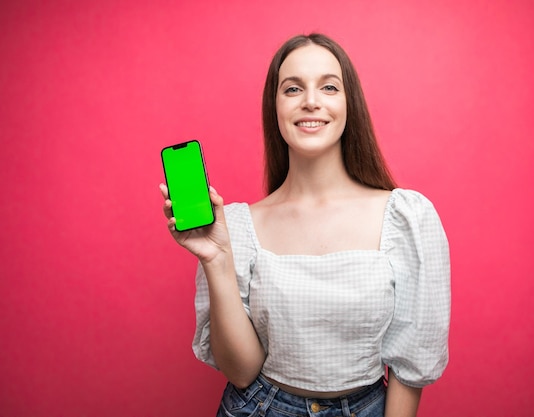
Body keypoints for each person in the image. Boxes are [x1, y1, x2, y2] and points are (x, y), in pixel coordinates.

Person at [160, 33, 450, 417]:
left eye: (328, 87)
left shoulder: (406, 217)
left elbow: (409, 371)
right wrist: (216, 259)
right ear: (275, 107)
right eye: (292, 88)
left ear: (350, 105)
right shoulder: (237, 227)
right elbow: (241, 370)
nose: (311, 100)